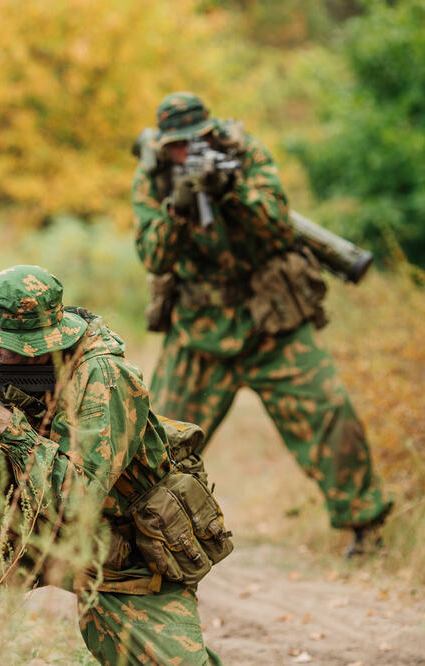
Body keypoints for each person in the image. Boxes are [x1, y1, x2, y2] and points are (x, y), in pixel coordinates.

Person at [0, 265, 226, 665]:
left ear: (41, 344)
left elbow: (80, 500)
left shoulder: (105, 377)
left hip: (121, 549)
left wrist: (8, 427)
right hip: (26, 526)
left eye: (3, 344)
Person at [132, 92, 392, 556]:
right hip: (200, 332)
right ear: (165, 145)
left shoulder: (246, 154)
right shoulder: (154, 174)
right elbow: (153, 254)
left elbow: (276, 225)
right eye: (178, 145)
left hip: (272, 321)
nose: (189, 152)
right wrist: (180, 208)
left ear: (211, 132)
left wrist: (232, 195)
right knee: (159, 442)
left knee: (332, 414)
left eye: (198, 141)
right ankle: (144, 542)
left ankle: (367, 528)